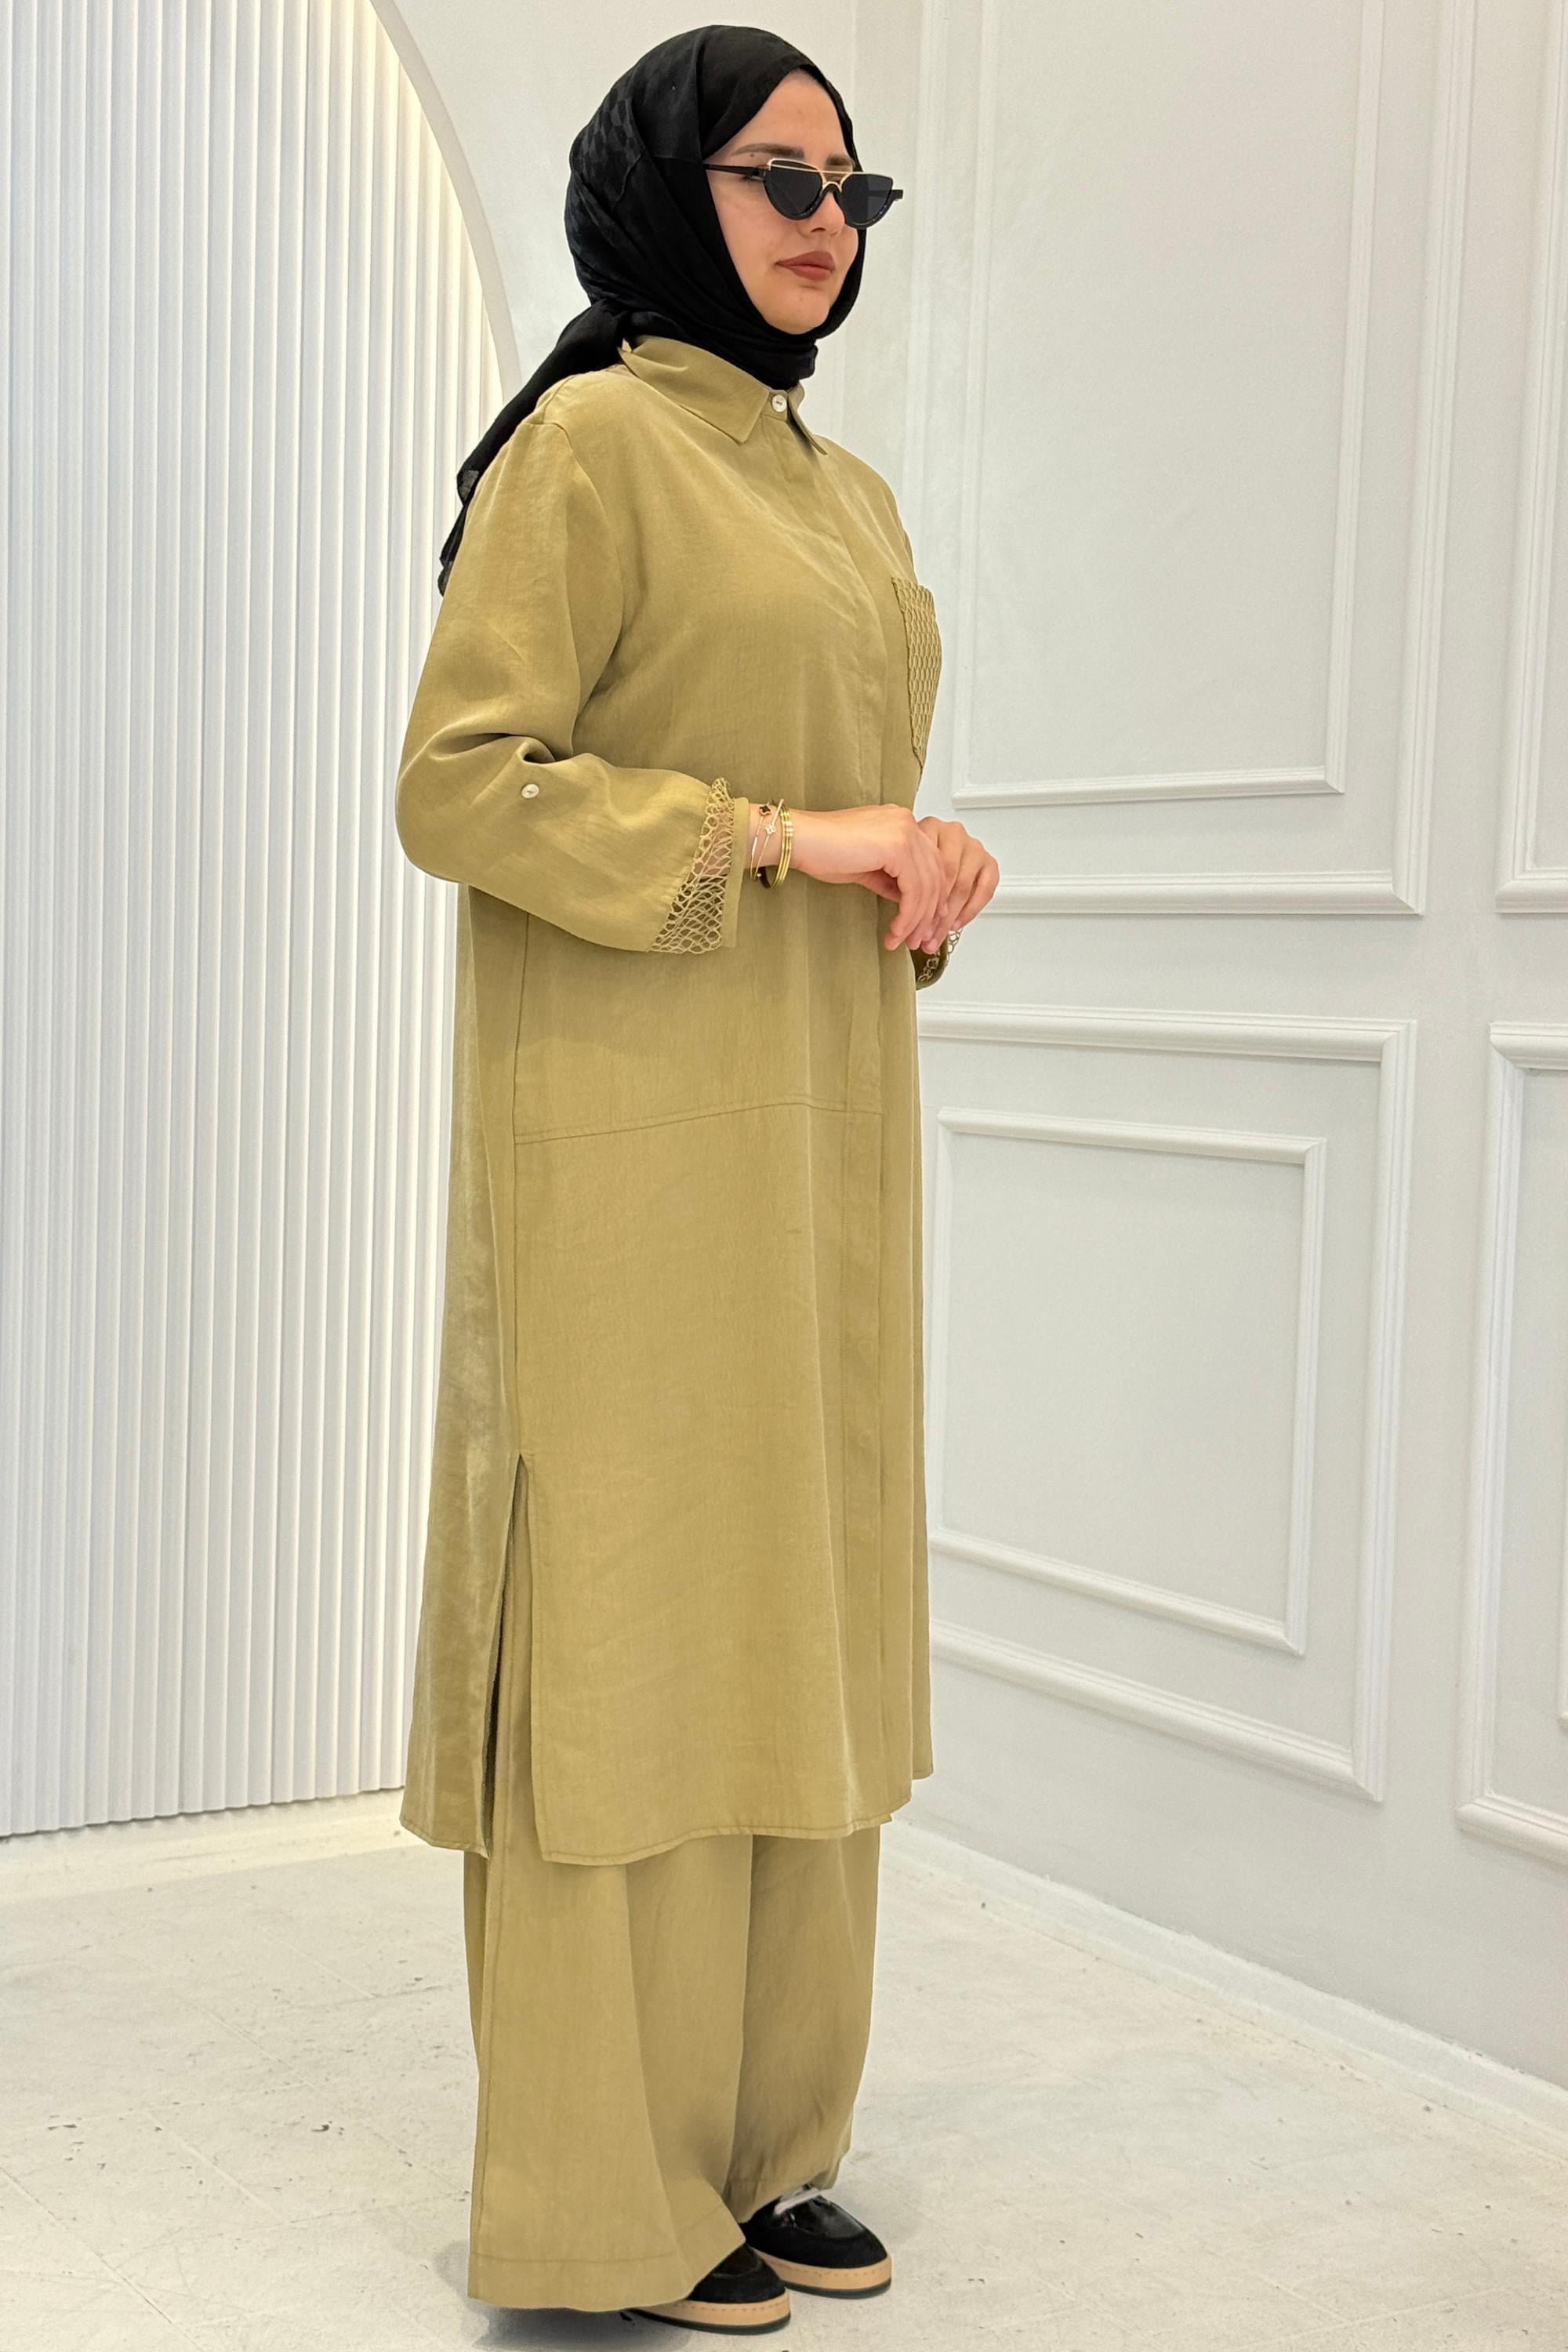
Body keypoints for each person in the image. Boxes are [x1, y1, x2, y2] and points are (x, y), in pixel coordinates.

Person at [393, 22, 999, 2336]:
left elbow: (844, 797)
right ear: (670, 188)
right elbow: (462, 783)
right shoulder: (590, 449)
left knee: (797, 1614)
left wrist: (918, 861)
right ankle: (608, 2197)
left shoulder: (847, 498)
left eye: (854, 189)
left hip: (825, 1139)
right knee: (638, 1634)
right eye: (780, 178)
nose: (827, 224)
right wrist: (776, 837)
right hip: (630, 1149)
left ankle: (769, 2146)